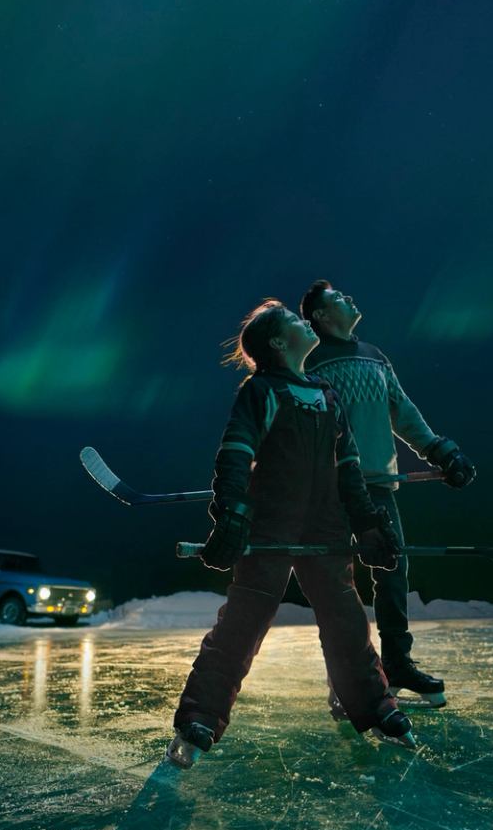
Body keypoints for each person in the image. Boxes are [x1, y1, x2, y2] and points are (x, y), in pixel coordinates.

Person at [168, 299, 415, 769]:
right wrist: (232, 516)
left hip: (326, 526)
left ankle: (376, 706)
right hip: (271, 523)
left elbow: (350, 472)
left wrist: (368, 525)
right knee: (246, 617)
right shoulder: (261, 391)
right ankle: (199, 716)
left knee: (345, 618)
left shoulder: (327, 396)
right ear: (280, 343)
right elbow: (235, 453)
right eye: (297, 322)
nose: (307, 324)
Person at [301, 280, 476, 709]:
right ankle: (345, 679)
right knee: (337, 587)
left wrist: (440, 450)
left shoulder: (374, 357)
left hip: (379, 487)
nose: (349, 298)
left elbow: (402, 410)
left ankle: (397, 665)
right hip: (333, 491)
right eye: (337, 298)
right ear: (321, 317)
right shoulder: (309, 363)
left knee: (393, 578)